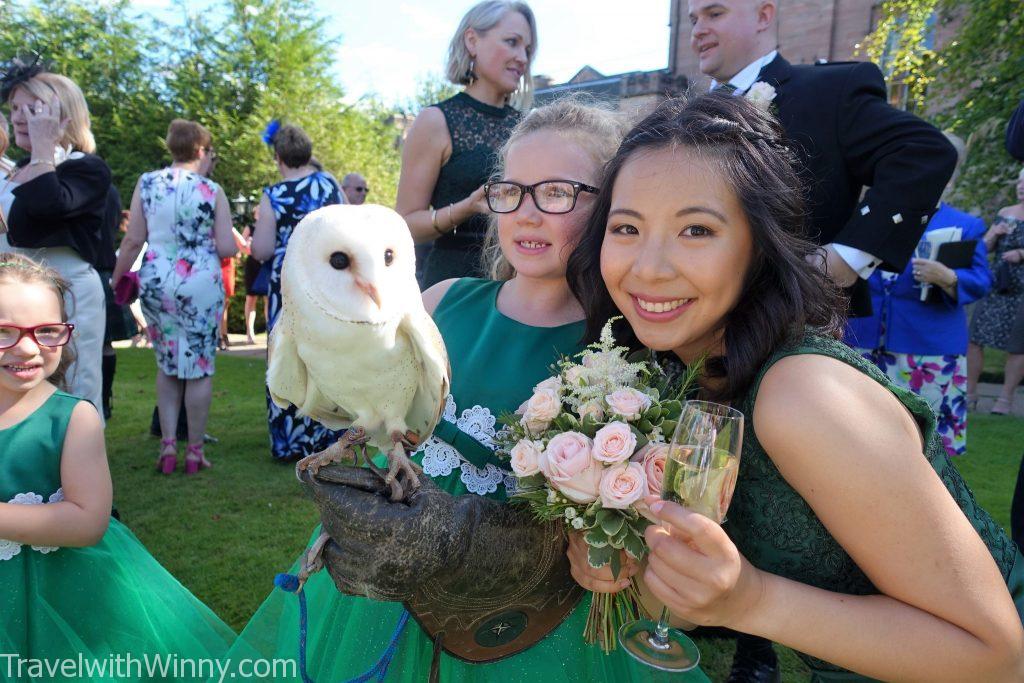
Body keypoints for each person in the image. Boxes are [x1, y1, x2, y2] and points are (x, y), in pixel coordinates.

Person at [228, 98, 696, 682]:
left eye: (556, 193)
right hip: (392, 566)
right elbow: (376, 409)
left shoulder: (617, 354)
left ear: (608, 208)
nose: (526, 213)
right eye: (510, 191)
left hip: (528, 617)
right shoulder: (442, 300)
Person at [566, 92, 1024, 682]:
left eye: (696, 230)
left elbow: (999, 656)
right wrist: (633, 567)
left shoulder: (803, 396)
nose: (649, 267)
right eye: (626, 227)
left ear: (760, 246)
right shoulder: (673, 379)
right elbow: (673, 610)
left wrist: (750, 601)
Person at [0, 252, 236, 671]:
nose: (27, 347)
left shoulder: (73, 418)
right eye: (4, 332)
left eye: (47, 331)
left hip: (58, 594)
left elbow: (88, 520)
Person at [687, 0, 955, 320]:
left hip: (788, 317)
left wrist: (847, 257)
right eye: (692, 20)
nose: (698, 31)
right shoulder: (684, 114)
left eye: (714, 14)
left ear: (763, 15)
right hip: (691, 314)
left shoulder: (829, 90)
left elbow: (924, 152)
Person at [845, 134, 992, 457]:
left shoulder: (965, 225)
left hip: (929, 350)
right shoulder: (874, 213)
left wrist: (949, 277)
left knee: (926, 447)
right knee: (860, 441)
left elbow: (981, 280)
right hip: (864, 343)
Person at [111, 119, 236, 474]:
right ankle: (194, 452)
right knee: (199, 368)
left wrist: (117, 277)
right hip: (201, 283)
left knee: (167, 365)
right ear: (200, 150)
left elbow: (133, 239)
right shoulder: (212, 190)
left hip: (157, 280)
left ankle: (168, 447)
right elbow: (226, 246)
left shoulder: (147, 183)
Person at [0, 64, 116, 420]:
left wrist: (42, 153)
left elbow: (49, 208)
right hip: (13, 292)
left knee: (74, 383)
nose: (19, 118)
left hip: (68, 294)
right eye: (15, 108)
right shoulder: (14, 170)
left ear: (62, 115)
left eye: (32, 109)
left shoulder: (86, 168)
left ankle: (79, 469)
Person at [397, 0, 536, 288]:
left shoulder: (530, 126)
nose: (522, 58)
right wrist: (465, 207)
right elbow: (405, 225)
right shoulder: (435, 121)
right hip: (453, 285)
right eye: (512, 42)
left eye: (527, 49)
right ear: (472, 41)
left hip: (518, 284)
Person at [251, 123, 346, 460]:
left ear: (278, 157)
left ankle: (288, 440)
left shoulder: (273, 195)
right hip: (326, 277)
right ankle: (327, 433)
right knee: (325, 353)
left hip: (288, 280)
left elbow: (260, 249)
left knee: (285, 353)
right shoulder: (328, 184)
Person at [967, 167, 1024, 415]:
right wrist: (993, 233)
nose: (1021, 186)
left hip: (1021, 291)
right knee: (975, 338)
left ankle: (1005, 398)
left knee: (1018, 345)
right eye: (1020, 182)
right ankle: (970, 392)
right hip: (996, 286)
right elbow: (985, 248)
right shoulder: (1004, 213)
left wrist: (1022, 254)